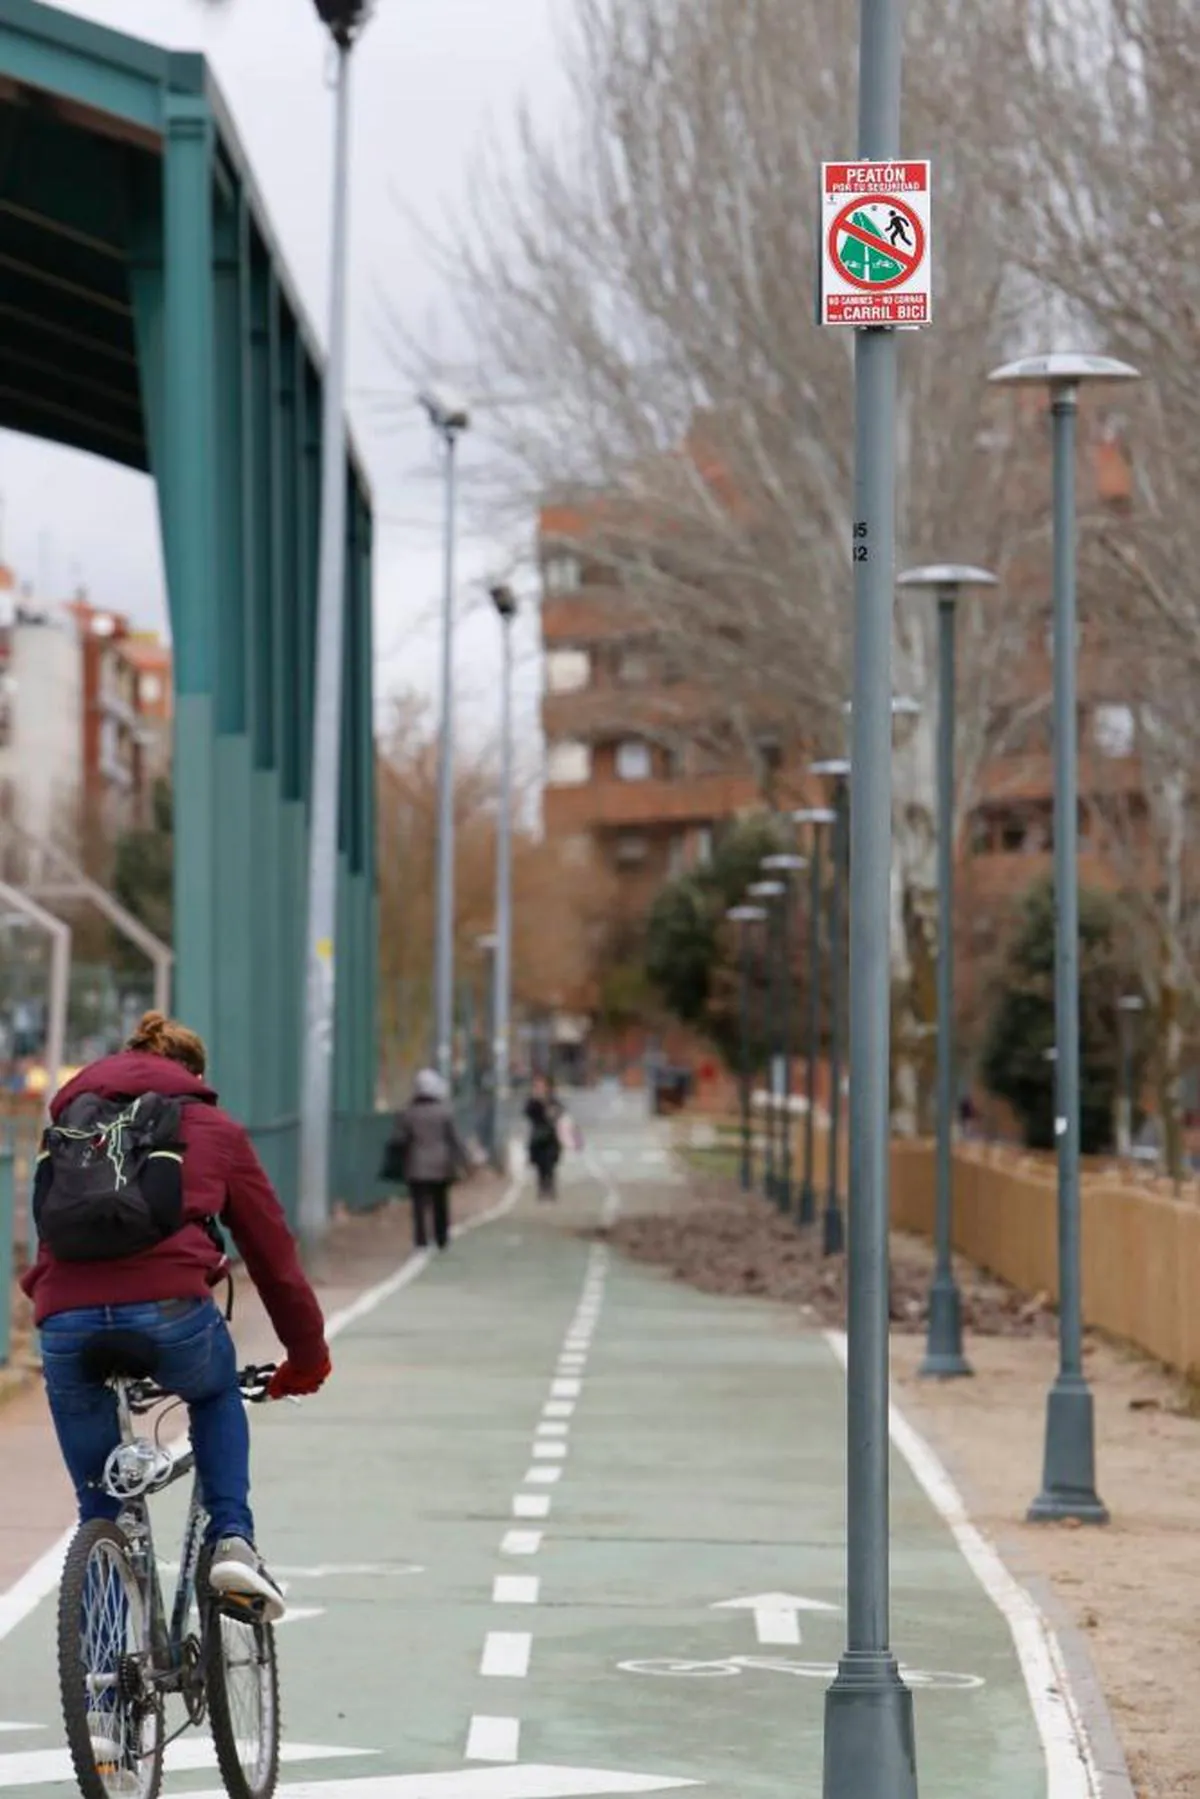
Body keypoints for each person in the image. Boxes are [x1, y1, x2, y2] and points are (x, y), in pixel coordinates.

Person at [22, 1011, 331, 1626]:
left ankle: (105, 1701)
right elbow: (274, 1260)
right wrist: (306, 1358)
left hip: (66, 1322)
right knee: (216, 1393)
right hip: (171, 1314)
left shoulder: (70, 1123)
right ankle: (231, 1539)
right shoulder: (212, 1126)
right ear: (193, 1073)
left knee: (100, 1513)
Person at [384, 1069, 470, 1250]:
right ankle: (441, 1238)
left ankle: (421, 1239)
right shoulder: (445, 1112)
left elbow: (399, 1138)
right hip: (441, 1165)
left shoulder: (409, 1113)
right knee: (440, 1202)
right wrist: (463, 1159)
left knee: (418, 1205)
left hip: (416, 1164)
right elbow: (454, 1138)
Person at [524, 1074, 563, 1200]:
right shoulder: (533, 1101)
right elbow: (528, 1113)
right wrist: (537, 1101)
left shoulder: (551, 1100)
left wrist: (552, 1111)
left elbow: (559, 1111)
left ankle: (550, 1187)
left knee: (550, 1163)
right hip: (537, 1137)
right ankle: (542, 1187)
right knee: (540, 1165)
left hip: (550, 1137)